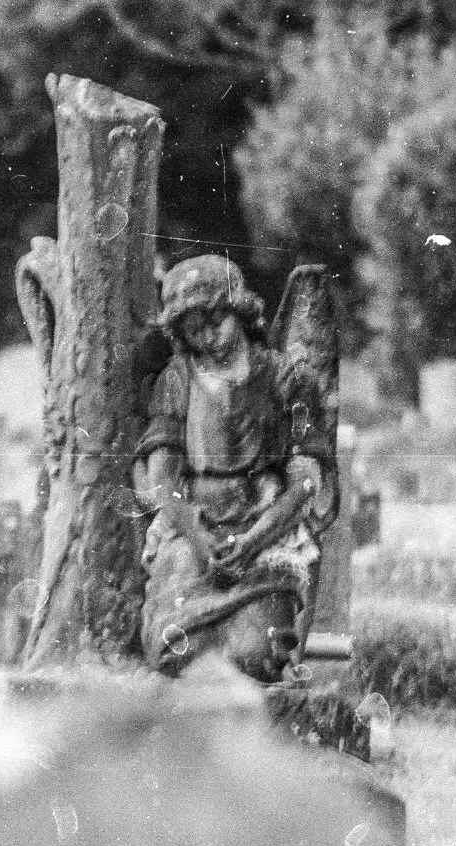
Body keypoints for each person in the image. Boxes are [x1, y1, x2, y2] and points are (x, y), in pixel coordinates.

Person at [133, 255, 336, 681]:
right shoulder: (177, 380)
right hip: (193, 533)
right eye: (193, 327)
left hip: (266, 531)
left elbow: (305, 485)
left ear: (241, 311)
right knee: (173, 650)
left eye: (216, 319)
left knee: (255, 657)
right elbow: (162, 479)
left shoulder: (287, 378)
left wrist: (254, 539)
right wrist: (201, 539)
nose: (207, 336)